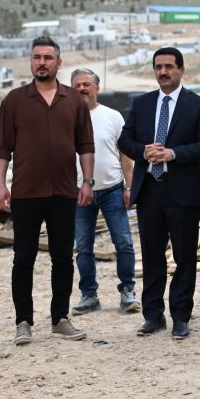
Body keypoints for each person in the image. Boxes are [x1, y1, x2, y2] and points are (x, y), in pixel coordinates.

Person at [0, 37, 96, 346]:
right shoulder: (14, 100)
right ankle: (23, 322)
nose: (42, 62)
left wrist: (87, 181)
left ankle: (60, 319)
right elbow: (2, 148)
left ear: (58, 63)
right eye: (36, 57)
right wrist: (1, 185)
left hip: (64, 192)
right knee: (23, 259)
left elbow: (85, 145)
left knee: (63, 258)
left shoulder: (74, 100)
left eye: (48, 57)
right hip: (26, 193)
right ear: (31, 62)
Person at [119, 47, 200, 340]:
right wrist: (143, 151)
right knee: (152, 256)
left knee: (184, 256)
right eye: (158, 67)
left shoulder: (196, 104)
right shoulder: (141, 104)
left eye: (168, 67)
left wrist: (173, 154)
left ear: (181, 70)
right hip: (149, 191)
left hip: (182, 193)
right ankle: (153, 316)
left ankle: (180, 317)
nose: (163, 72)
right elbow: (125, 140)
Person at [69, 68, 138, 314]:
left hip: (113, 190)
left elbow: (125, 155)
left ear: (96, 88)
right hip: (79, 193)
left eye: (86, 84)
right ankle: (89, 295)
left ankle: (128, 291)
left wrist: (129, 187)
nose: (82, 89)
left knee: (124, 242)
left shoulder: (113, 117)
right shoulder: (66, 119)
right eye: (77, 85)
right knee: (83, 247)